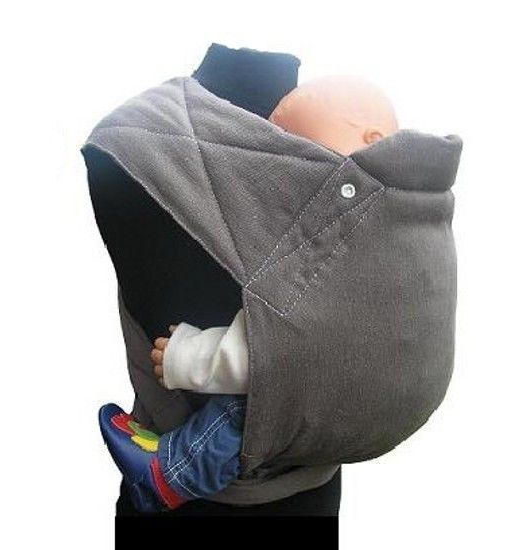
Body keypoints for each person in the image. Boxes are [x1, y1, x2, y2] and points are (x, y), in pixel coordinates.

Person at [99, 75, 400, 512]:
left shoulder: (372, 219)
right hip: (311, 491)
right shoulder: (135, 136)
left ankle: (169, 474)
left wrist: (187, 357)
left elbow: (280, 344)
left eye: (302, 147)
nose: (294, 163)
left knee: (255, 408)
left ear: (372, 140)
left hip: (302, 461)